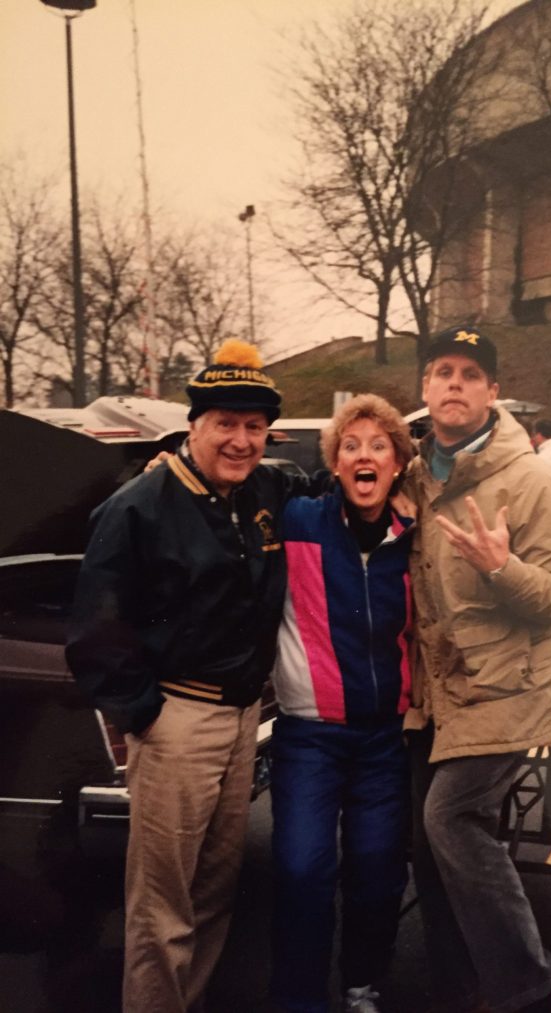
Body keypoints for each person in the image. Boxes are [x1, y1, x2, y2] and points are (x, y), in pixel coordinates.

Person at [66, 339, 299, 1013]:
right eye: (225, 422)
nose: (240, 438)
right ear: (193, 425)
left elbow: (332, 482)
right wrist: (146, 712)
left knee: (214, 891)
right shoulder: (138, 507)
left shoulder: (264, 489)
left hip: (242, 719)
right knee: (161, 906)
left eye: (254, 426)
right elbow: (95, 632)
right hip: (178, 720)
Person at [404, 326, 551, 1013]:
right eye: (443, 370)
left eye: (471, 373)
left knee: (450, 818)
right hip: (439, 693)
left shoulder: (533, 482)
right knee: (424, 843)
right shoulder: (417, 474)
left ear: (493, 392)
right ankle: (462, 989)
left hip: (509, 689)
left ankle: (540, 988)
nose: (454, 383)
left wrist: (501, 567)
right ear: (425, 387)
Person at [268, 395, 416, 1013]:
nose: (364, 455)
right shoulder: (298, 518)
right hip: (309, 737)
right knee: (302, 870)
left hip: (385, 739)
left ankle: (362, 983)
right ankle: (300, 996)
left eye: (378, 445)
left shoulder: (416, 537)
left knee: (379, 872)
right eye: (350, 445)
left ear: (398, 465)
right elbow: (244, 478)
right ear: (333, 462)